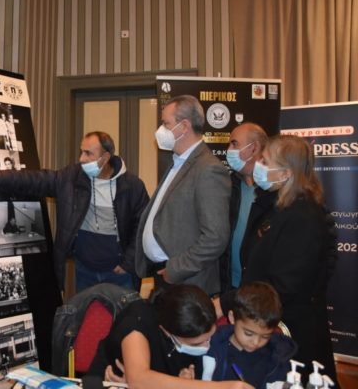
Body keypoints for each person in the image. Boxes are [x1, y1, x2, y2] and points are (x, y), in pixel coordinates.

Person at [215, 135, 337, 382]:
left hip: (291, 331)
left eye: (265, 161)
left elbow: (284, 285)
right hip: (272, 323)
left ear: (286, 172)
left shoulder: (303, 215)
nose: (259, 165)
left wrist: (228, 302)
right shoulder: (279, 205)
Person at [0, 131, 149, 292]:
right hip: (84, 271)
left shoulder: (132, 186)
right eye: (81, 151)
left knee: (123, 320)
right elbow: (34, 180)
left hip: (119, 274)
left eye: (88, 153)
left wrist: (128, 263)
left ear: (106, 157)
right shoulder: (72, 177)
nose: (81, 159)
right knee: (85, 319)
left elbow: (142, 227)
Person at [136, 95, 231, 295]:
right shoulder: (177, 162)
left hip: (185, 281)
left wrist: (176, 269)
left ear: (184, 126)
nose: (160, 130)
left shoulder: (208, 169)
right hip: (164, 276)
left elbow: (216, 237)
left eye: (166, 123)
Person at [88, 284, 253, 389]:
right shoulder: (138, 320)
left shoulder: (199, 319)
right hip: (105, 383)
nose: (207, 345)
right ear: (167, 332)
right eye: (197, 344)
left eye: (209, 337)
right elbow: (138, 379)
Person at [202, 282, 296, 389]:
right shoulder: (211, 347)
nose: (256, 342)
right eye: (248, 333)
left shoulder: (277, 356)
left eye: (265, 336)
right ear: (232, 318)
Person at [221, 123, 268, 292]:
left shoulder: (273, 188)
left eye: (234, 144)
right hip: (230, 286)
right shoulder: (227, 186)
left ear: (254, 148)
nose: (229, 150)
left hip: (262, 291)